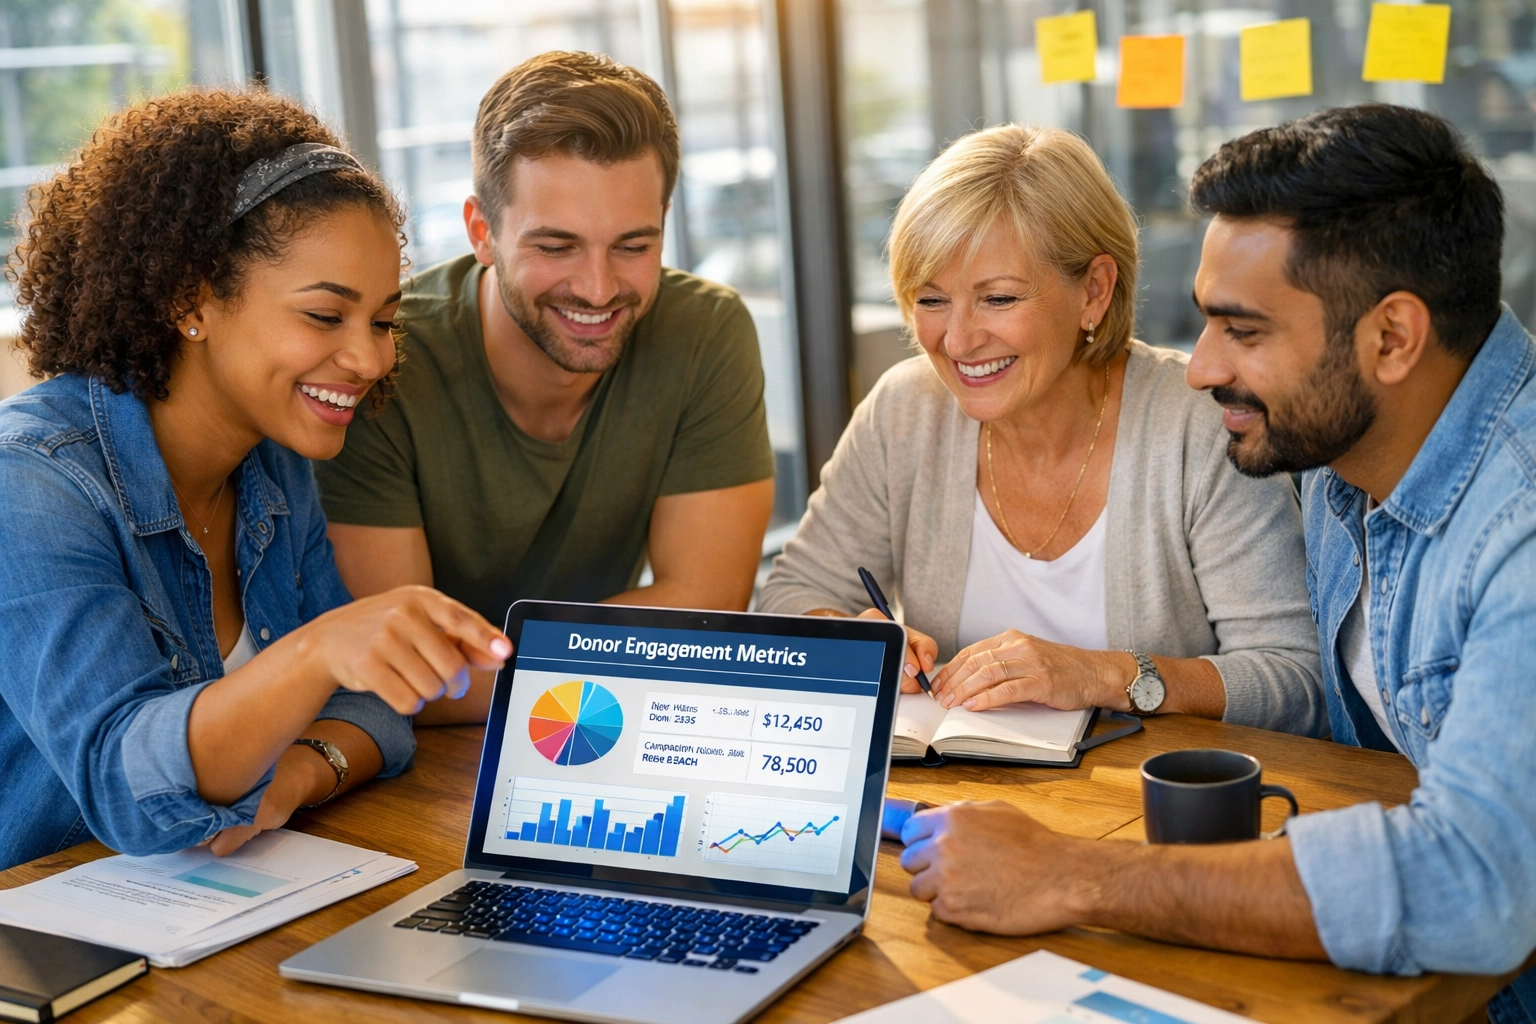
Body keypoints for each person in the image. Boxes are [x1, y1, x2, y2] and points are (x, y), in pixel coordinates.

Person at [897, 104, 1536, 1019]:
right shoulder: (1347, 457)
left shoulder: (1519, 526)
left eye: (1244, 331)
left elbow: (1471, 886)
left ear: (1392, 338)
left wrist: (1075, 874)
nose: (1198, 369)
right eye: (1206, 324)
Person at [0, 91, 512, 873]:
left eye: (382, 321)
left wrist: (297, 775)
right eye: (324, 317)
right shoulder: (34, 482)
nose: (370, 359)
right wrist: (315, 653)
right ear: (190, 299)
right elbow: (124, 785)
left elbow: (375, 704)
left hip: (214, 902)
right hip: (48, 920)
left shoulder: (272, 460)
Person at [758, 123, 1323, 734]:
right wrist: (845, 637)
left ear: (1094, 291)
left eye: (998, 299)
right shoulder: (905, 410)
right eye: (931, 299)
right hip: (951, 788)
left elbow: (1296, 680)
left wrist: (1102, 675)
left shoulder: (1200, 426)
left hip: (1140, 792)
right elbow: (791, 593)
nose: (957, 341)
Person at [315, 52, 777, 727]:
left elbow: (705, 610)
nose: (598, 288)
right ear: (482, 233)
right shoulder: (381, 356)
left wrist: (487, 665)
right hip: (420, 753)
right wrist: (630, 645)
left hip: (596, 723)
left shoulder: (706, 330)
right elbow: (402, 672)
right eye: (556, 247)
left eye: (633, 246)